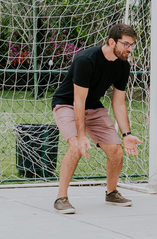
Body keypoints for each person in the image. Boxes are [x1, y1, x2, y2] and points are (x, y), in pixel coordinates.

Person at [50, 23, 143, 214]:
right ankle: (61, 198)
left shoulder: (123, 65)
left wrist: (126, 134)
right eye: (126, 44)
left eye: (132, 45)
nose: (129, 49)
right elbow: (78, 100)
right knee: (75, 146)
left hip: (93, 106)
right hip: (67, 104)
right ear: (112, 42)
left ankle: (111, 193)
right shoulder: (86, 60)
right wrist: (81, 136)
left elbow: (118, 102)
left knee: (116, 151)